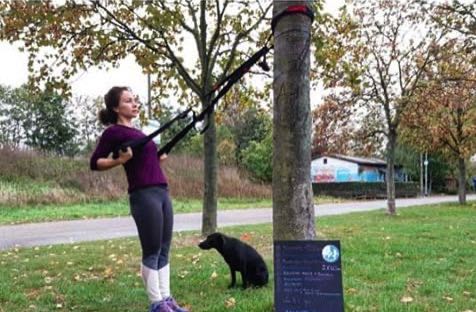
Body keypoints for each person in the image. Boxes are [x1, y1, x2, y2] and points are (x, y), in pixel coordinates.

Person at [90, 86, 188, 312]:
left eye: (135, 100)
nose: (134, 104)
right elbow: (95, 162)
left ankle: (167, 299)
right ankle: (156, 304)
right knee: (152, 250)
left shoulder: (142, 135)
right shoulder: (114, 133)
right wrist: (119, 160)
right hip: (143, 195)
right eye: (128, 101)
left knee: (164, 249)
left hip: (162, 191)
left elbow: (146, 162)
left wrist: (158, 158)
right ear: (116, 107)